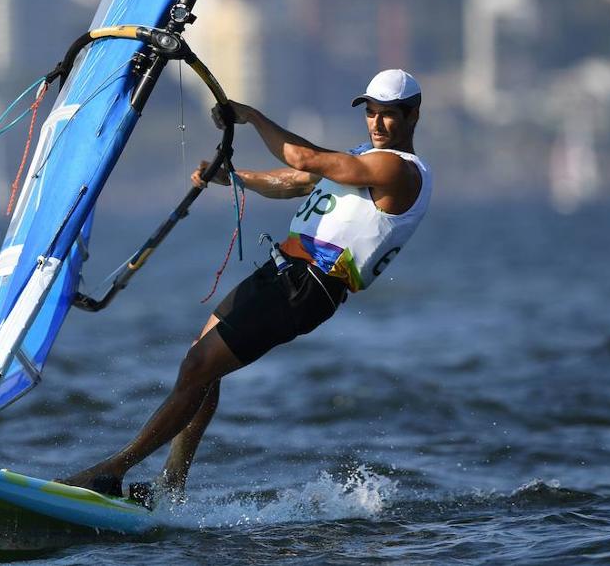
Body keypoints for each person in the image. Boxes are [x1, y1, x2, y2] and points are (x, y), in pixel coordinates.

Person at [61, 69, 433, 500]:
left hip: (307, 287)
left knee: (198, 368)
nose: (376, 124)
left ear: (413, 116)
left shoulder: (397, 169)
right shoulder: (366, 159)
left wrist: (252, 116)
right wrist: (233, 178)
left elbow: (304, 160)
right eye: (371, 113)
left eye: (388, 115)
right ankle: (172, 484)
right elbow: (295, 181)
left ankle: (111, 471)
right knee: (201, 365)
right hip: (281, 273)